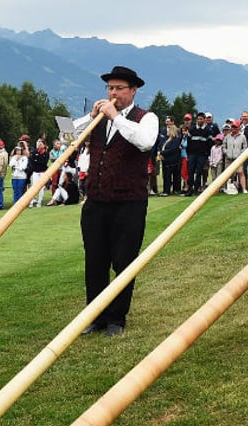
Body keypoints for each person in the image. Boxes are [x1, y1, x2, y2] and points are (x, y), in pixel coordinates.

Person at [73, 66, 158, 336]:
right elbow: (72, 137)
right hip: (96, 200)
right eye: (110, 88)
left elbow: (145, 142)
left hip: (129, 201)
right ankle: (95, 316)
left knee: (123, 261)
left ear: (133, 91)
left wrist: (116, 117)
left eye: (120, 88)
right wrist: (92, 117)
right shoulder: (98, 119)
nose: (113, 93)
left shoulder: (147, 118)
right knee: (95, 260)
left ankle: (116, 319)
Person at [158, 119, 183, 196]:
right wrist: (159, 152)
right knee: (166, 176)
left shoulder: (176, 139)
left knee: (175, 176)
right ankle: (166, 190)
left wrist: (161, 152)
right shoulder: (167, 139)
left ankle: (176, 189)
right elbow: (161, 145)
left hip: (173, 161)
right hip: (166, 160)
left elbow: (173, 149)